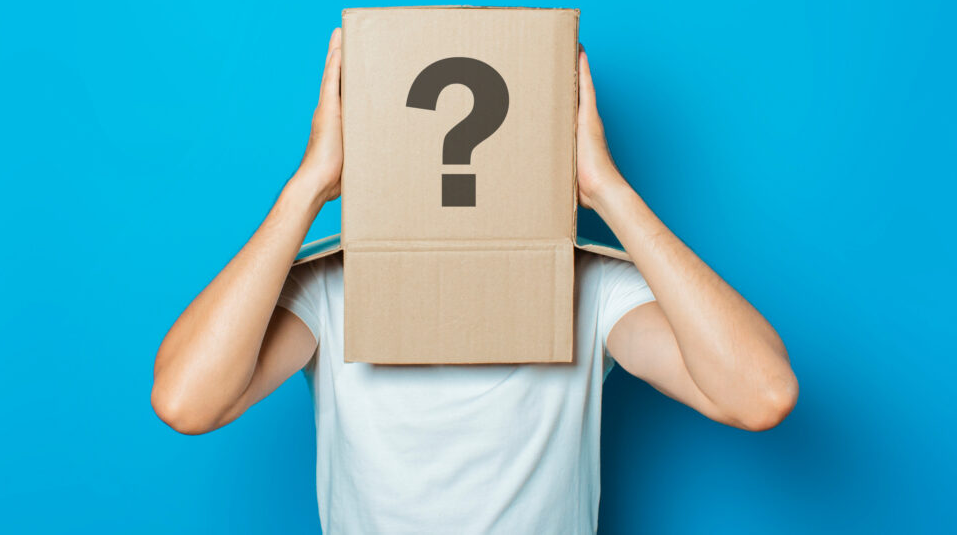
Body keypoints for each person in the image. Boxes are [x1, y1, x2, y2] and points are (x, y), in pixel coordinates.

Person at [151, 28, 798, 534]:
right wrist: (310, 185)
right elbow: (187, 400)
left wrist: (608, 191)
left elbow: (761, 394)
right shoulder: (331, 288)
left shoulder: (590, 287)